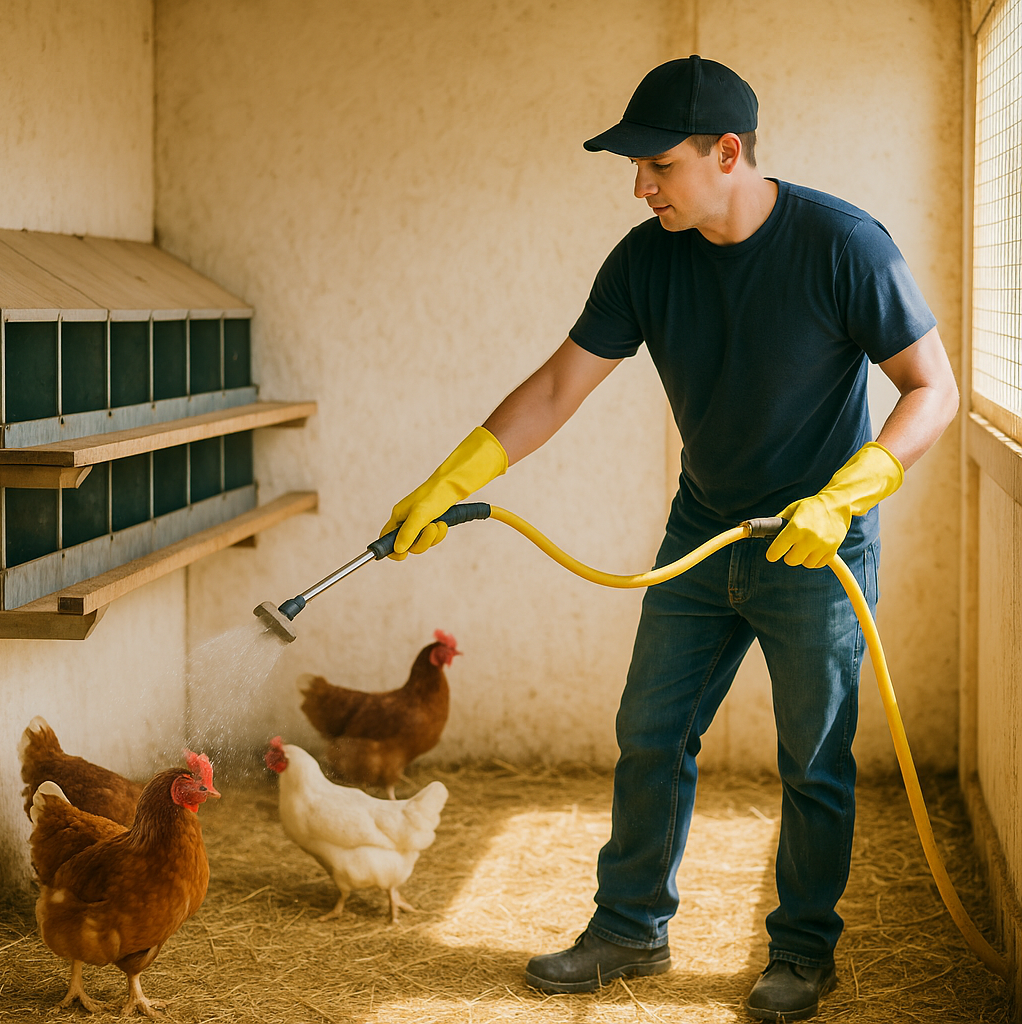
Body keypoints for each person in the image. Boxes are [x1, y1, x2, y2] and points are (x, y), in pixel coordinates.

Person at [380, 55, 959, 1022]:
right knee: (651, 733)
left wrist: (847, 497)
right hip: (702, 535)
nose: (639, 185)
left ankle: (803, 953)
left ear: (726, 153)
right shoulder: (647, 257)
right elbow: (560, 386)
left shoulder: (844, 245)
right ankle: (629, 928)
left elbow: (931, 387)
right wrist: (453, 478)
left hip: (815, 544)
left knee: (812, 758)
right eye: (637, 168)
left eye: (656, 165)